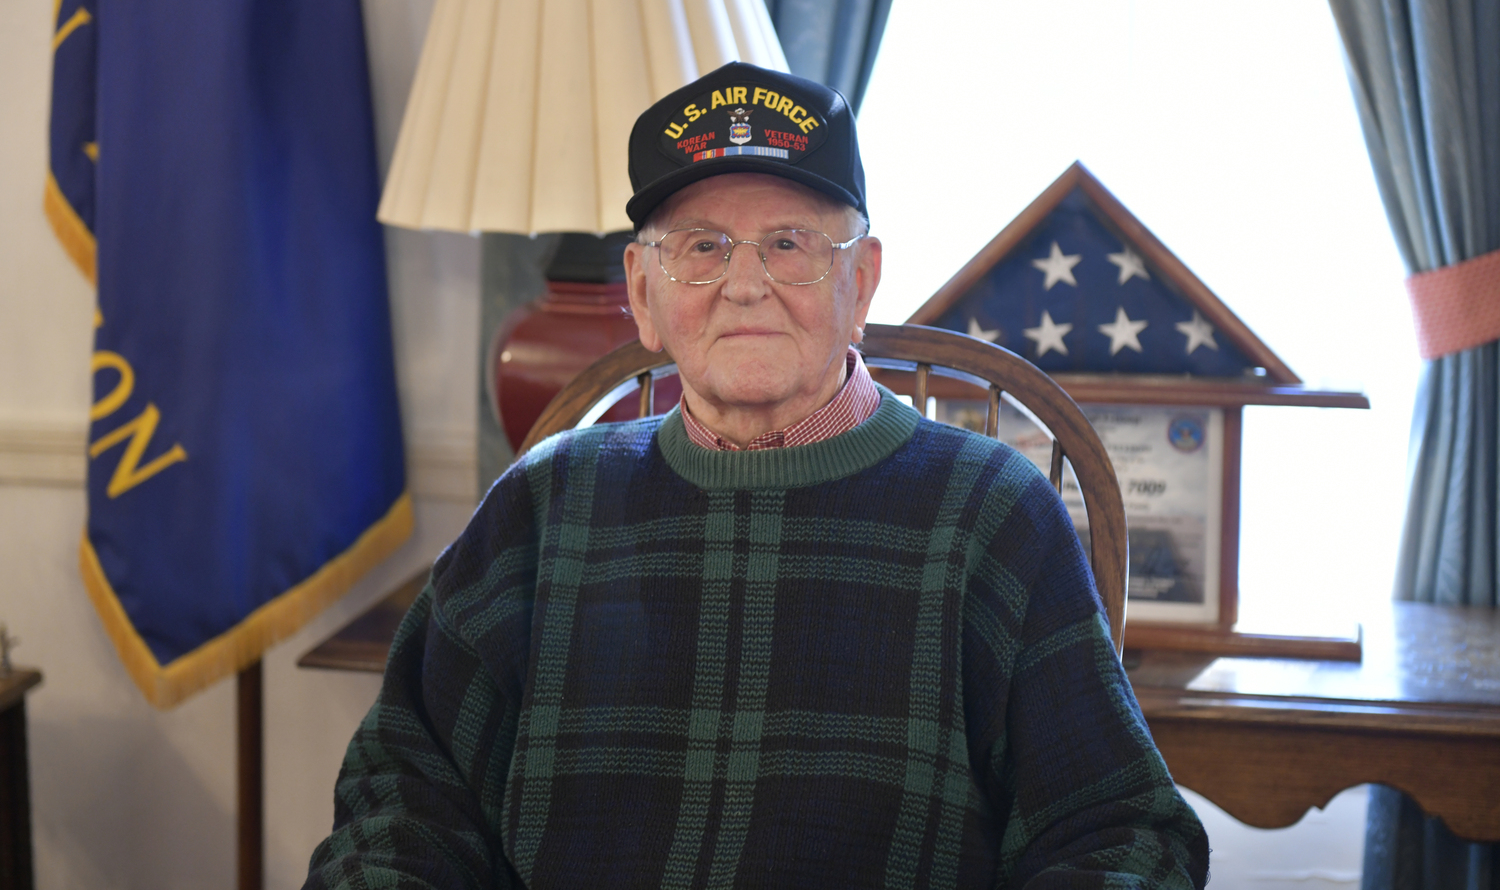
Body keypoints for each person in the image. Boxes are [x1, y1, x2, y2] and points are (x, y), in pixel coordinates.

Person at [305, 63, 1209, 889]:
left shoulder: (993, 516)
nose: (745, 284)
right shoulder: (542, 509)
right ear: (643, 294)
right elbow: (403, 797)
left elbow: (1121, 834)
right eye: (700, 246)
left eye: (790, 244)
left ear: (862, 283)